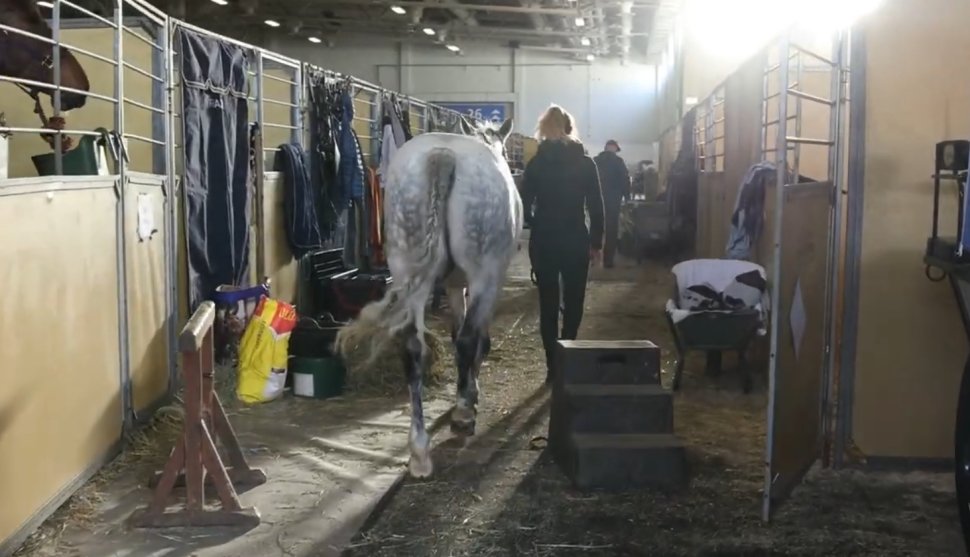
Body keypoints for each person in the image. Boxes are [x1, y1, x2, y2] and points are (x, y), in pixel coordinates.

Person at [521, 104, 605, 383]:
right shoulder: (585, 163)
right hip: (574, 238)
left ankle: (551, 367)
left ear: (544, 130)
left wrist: (534, 222)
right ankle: (567, 357)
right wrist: (596, 242)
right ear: (570, 128)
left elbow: (523, 202)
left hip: (545, 239)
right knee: (574, 301)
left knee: (547, 304)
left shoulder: (536, 163)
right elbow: (596, 206)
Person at [594, 140, 631, 268]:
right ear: (613, 148)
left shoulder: (595, 160)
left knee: (595, 227)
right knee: (611, 230)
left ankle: (592, 258)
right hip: (613, 201)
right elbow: (625, 180)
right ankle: (608, 261)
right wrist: (627, 197)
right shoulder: (618, 162)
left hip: (596, 199)